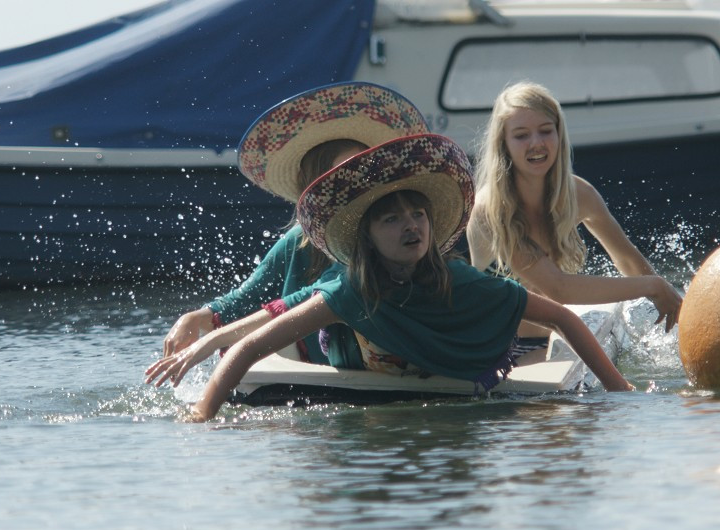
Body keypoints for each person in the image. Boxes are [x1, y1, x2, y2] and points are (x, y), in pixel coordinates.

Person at [145, 134, 632, 422]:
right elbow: (251, 345)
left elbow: (564, 316)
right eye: (391, 219)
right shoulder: (345, 289)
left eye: (417, 215)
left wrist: (620, 391)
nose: (410, 225)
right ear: (365, 237)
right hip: (348, 364)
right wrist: (201, 418)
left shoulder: (457, 279)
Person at [159, 81, 429, 365]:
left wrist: (215, 338)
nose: (357, 184)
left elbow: (304, 300)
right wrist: (196, 317)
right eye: (343, 176)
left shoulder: (397, 239)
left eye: (364, 170)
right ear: (317, 190)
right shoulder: (298, 244)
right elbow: (245, 299)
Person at [467, 81, 683, 357]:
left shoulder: (579, 194)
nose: (536, 143)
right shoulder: (491, 209)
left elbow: (629, 262)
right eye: (521, 135)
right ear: (504, 144)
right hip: (494, 352)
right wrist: (653, 286)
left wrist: (674, 303)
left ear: (559, 135)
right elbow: (559, 288)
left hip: (550, 345)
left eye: (546, 131)